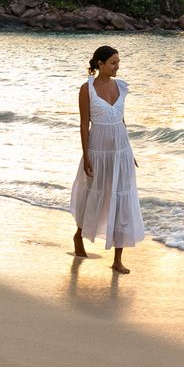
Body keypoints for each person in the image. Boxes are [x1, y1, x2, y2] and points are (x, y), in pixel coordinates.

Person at [70, 45, 145, 272]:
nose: (117, 66)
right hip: (97, 151)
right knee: (92, 196)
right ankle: (79, 235)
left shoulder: (121, 87)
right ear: (100, 64)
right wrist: (86, 156)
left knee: (121, 201)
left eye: (118, 62)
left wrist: (129, 152)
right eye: (113, 62)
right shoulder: (87, 89)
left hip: (121, 152)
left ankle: (117, 260)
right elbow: (84, 124)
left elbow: (121, 121)